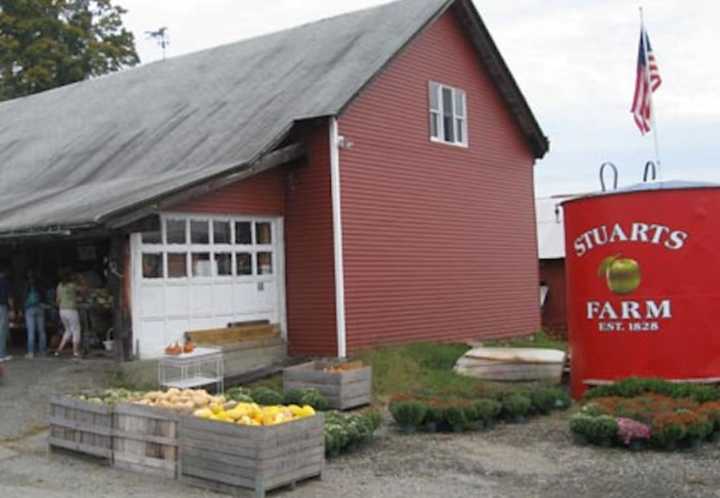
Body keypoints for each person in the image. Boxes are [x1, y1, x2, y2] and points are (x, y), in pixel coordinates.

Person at [54, 270, 81, 358]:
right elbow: (84, 290)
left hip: (62, 310)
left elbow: (57, 300)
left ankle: (58, 350)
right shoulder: (72, 286)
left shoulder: (59, 286)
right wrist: (82, 279)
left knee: (68, 330)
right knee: (76, 330)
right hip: (71, 310)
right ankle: (75, 351)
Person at [23, 271, 47, 358]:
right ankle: (43, 351)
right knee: (41, 331)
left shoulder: (26, 285)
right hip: (40, 308)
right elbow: (44, 296)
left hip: (29, 309)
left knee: (31, 331)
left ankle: (31, 352)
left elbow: (24, 297)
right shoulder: (39, 285)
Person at [0, 265, 13, 362]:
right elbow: (9, 297)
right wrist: (12, 309)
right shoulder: (5, 282)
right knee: (2, 331)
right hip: (2, 307)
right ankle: (2, 354)